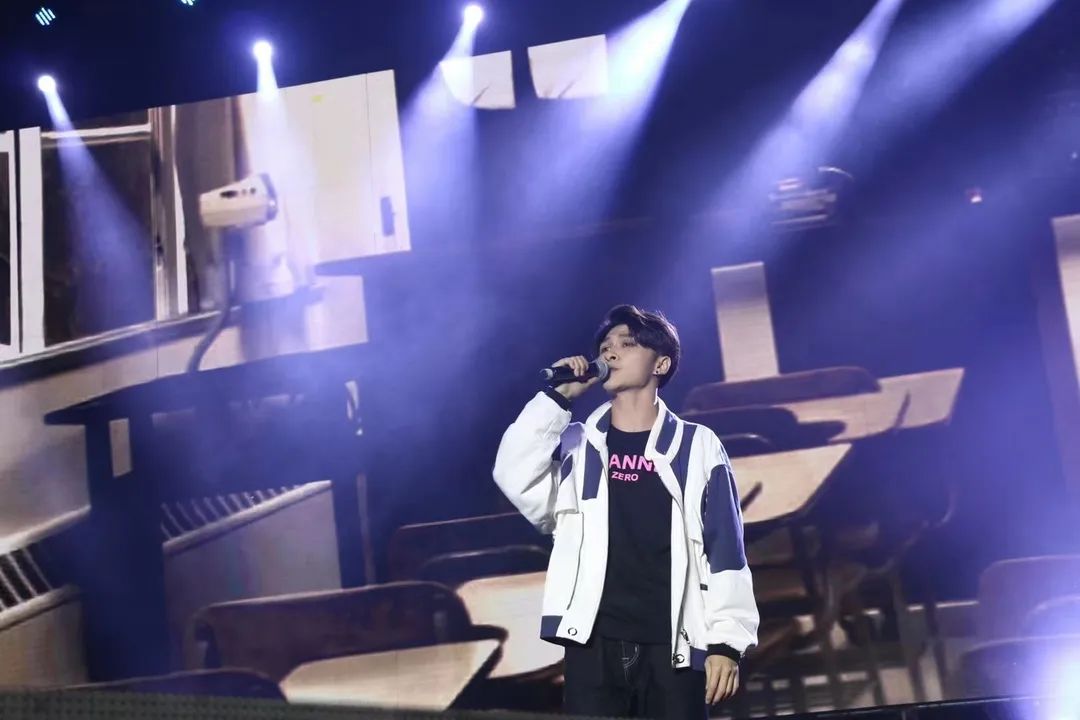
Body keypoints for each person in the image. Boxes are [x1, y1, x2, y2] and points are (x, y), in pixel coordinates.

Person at [493, 304, 759, 719]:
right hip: (593, 642)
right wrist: (556, 399)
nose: (611, 352)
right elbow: (512, 472)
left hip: (673, 642)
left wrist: (726, 642)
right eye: (605, 346)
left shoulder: (697, 445)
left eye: (627, 343)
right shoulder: (578, 446)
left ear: (661, 364)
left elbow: (725, 548)